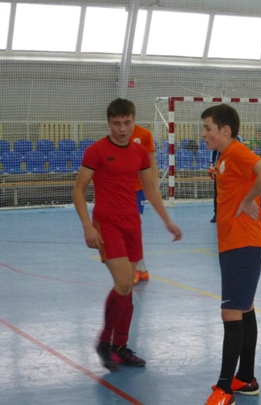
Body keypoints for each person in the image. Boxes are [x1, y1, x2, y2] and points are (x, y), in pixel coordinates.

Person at [72, 98, 182, 372]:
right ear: (109, 123)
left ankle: (120, 346)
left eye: (127, 123)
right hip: (107, 223)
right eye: (116, 123)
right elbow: (78, 189)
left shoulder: (139, 152)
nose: (122, 129)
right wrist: (87, 226)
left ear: (134, 121)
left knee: (128, 287)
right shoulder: (97, 151)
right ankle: (104, 342)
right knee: (123, 282)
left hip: (132, 223)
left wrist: (167, 220)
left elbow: (150, 188)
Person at [200, 104, 261, 405]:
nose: (203, 133)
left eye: (208, 128)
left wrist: (248, 200)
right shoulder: (224, 157)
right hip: (234, 242)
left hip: (243, 243)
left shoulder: (236, 152)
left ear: (225, 130)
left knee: (231, 312)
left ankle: (224, 390)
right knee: (244, 308)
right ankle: (245, 378)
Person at [130, 124, 158, 284]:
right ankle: (141, 269)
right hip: (120, 188)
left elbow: (151, 162)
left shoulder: (144, 134)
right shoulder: (114, 135)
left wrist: (153, 187)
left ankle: (135, 268)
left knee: (132, 228)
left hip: (137, 188)